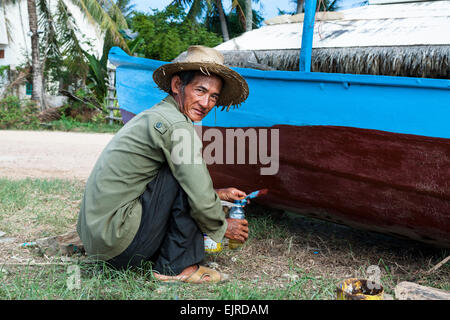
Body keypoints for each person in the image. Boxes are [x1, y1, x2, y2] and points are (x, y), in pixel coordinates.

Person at [77, 45, 250, 284]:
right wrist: (222, 228)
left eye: (214, 96)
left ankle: (171, 257)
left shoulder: (160, 115)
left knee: (183, 171)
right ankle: (177, 267)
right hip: (117, 243)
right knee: (185, 175)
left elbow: (157, 185)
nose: (206, 102)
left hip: (100, 241)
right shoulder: (176, 126)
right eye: (200, 90)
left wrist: (217, 194)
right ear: (178, 85)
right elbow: (194, 190)